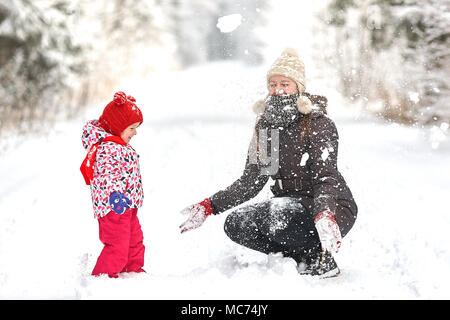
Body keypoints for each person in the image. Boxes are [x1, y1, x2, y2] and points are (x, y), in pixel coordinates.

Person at [179, 49, 358, 278]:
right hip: (288, 207)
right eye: (273, 84)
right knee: (236, 223)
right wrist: (210, 206)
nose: (278, 90)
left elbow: (326, 178)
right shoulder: (267, 126)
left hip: (330, 207)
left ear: (298, 87)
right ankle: (298, 257)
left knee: (275, 214)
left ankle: (320, 259)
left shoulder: (318, 124)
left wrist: (324, 213)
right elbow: (252, 181)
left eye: (285, 83)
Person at [81, 91, 145, 278]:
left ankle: (133, 274)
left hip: (127, 205)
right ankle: (102, 280)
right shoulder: (108, 148)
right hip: (113, 207)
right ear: (118, 126)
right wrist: (115, 195)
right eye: (132, 128)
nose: (135, 132)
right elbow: (107, 176)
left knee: (135, 242)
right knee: (117, 246)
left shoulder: (117, 144)